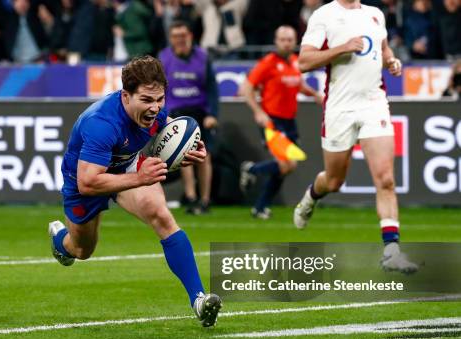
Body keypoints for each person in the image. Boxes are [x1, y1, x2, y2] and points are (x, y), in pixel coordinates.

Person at [48, 55, 222, 327]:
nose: (155, 108)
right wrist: (140, 177)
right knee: (81, 250)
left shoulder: (155, 109)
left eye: (160, 99)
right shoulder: (102, 123)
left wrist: (188, 148)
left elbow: (169, 128)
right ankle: (61, 241)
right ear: (125, 96)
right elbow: (89, 182)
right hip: (85, 180)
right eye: (146, 100)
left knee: (161, 216)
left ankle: (199, 299)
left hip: (127, 165)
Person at [293, 0, 416, 273]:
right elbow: (304, 61)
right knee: (334, 181)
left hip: (374, 103)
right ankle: (311, 197)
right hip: (340, 107)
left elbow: (383, 49)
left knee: (385, 178)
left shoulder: (375, 14)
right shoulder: (324, 16)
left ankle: (392, 250)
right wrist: (342, 48)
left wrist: (391, 61)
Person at [239, 25, 321, 220]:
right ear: (276, 41)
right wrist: (258, 112)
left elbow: (298, 84)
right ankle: (251, 170)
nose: (286, 43)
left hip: (289, 121)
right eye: (283, 39)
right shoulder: (267, 63)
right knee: (287, 165)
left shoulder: (295, 62)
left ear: (295, 41)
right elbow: (247, 88)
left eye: (290, 39)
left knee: (283, 168)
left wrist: (315, 94)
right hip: (272, 120)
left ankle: (259, 207)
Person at [159, 20, 219, 215]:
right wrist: (162, 114)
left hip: (199, 111)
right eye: (176, 36)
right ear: (171, 38)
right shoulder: (164, 58)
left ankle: (205, 199)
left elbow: (212, 89)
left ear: (190, 36)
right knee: (183, 155)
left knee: (204, 156)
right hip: (176, 113)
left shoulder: (203, 57)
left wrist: (212, 114)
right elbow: (160, 88)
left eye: (183, 36)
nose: (180, 40)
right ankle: (191, 197)